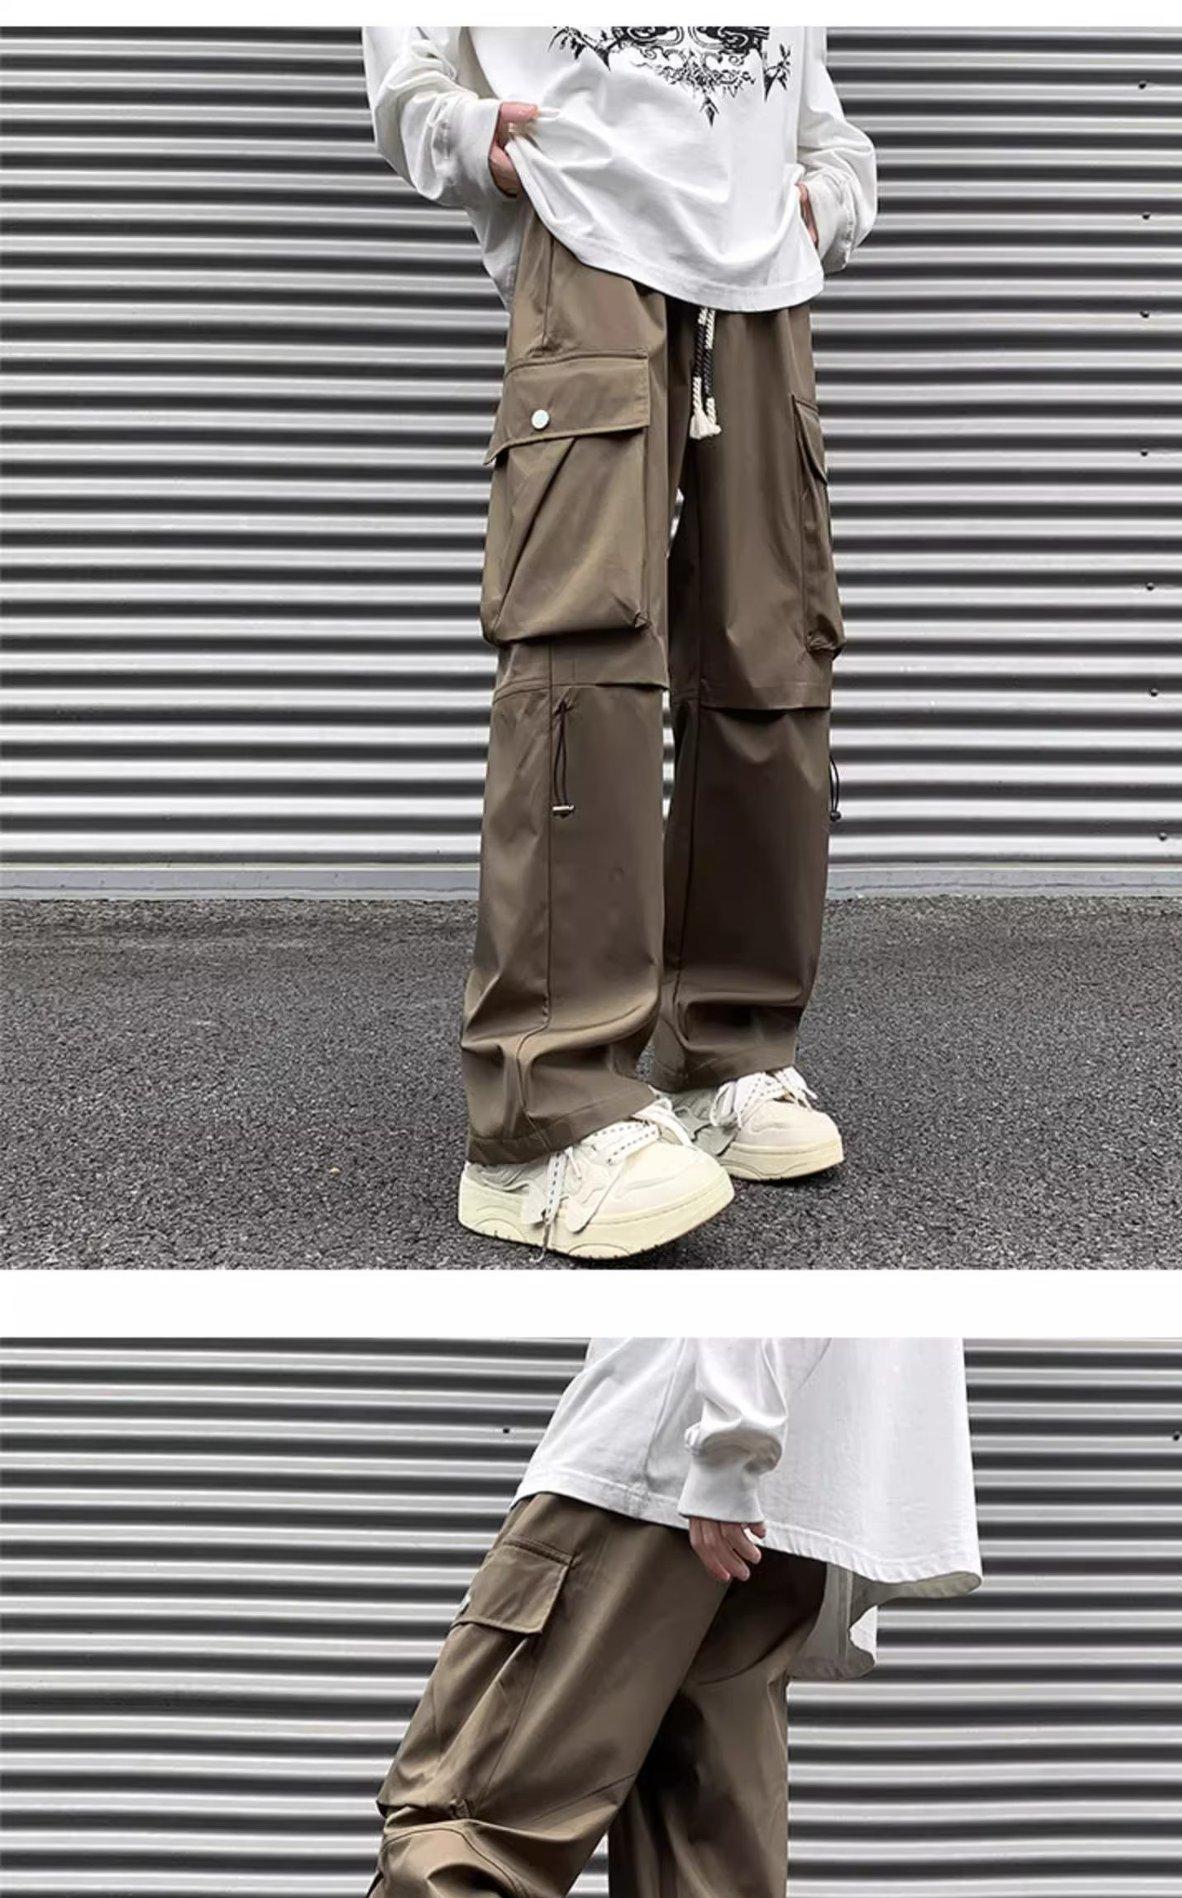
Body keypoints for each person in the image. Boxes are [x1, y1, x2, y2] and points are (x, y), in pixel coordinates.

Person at [362, 31, 879, 1258]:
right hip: (591, 244)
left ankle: (727, 1054)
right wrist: (465, 138)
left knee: (772, 658)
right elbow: (408, 61)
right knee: (580, 656)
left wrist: (828, 199)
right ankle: (540, 1119)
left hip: (761, 285)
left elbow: (819, 114)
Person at [348, 1337, 982, 1898]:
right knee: (704, 1891)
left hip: (656, 1471)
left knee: (459, 1842)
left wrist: (732, 1444)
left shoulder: (715, 1446)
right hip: (788, 1516)